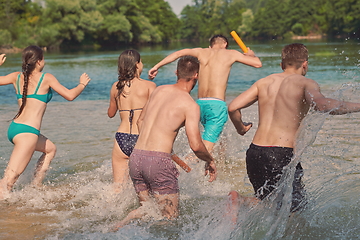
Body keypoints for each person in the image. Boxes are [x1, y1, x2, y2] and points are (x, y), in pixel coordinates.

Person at [228, 43, 360, 212]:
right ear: (305, 64)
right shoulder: (306, 83)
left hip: (255, 152)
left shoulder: (264, 82)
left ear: (282, 65)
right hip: (280, 154)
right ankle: (242, 203)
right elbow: (322, 105)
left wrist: (240, 128)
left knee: (268, 204)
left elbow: (233, 107)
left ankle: (240, 201)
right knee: (297, 210)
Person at [113, 56, 217, 229]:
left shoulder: (159, 90)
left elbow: (140, 121)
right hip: (158, 162)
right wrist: (210, 160)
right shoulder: (190, 105)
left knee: (147, 210)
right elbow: (196, 145)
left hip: (136, 157)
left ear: (177, 73)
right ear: (196, 76)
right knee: (171, 221)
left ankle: (118, 227)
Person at [0, 46, 91, 199]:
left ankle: (36, 185)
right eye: (43, 59)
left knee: (50, 149)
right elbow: (69, 95)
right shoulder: (46, 77)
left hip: (16, 129)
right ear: (39, 61)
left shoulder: (16, 76)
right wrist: (82, 84)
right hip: (28, 133)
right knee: (8, 182)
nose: (44, 62)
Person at [148, 34, 262, 153]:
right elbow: (257, 64)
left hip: (199, 105)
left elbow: (178, 54)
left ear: (210, 45)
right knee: (205, 150)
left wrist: (157, 66)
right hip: (216, 106)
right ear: (225, 45)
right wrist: (251, 55)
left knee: (219, 141)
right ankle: (185, 167)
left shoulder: (201, 52)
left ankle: (218, 169)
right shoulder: (231, 53)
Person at [107, 50, 156, 191]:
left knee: (118, 187)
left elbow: (110, 113)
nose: (143, 64)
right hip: (141, 138)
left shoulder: (116, 86)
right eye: (141, 62)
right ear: (136, 64)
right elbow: (154, 113)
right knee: (148, 188)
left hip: (121, 138)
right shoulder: (149, 86)